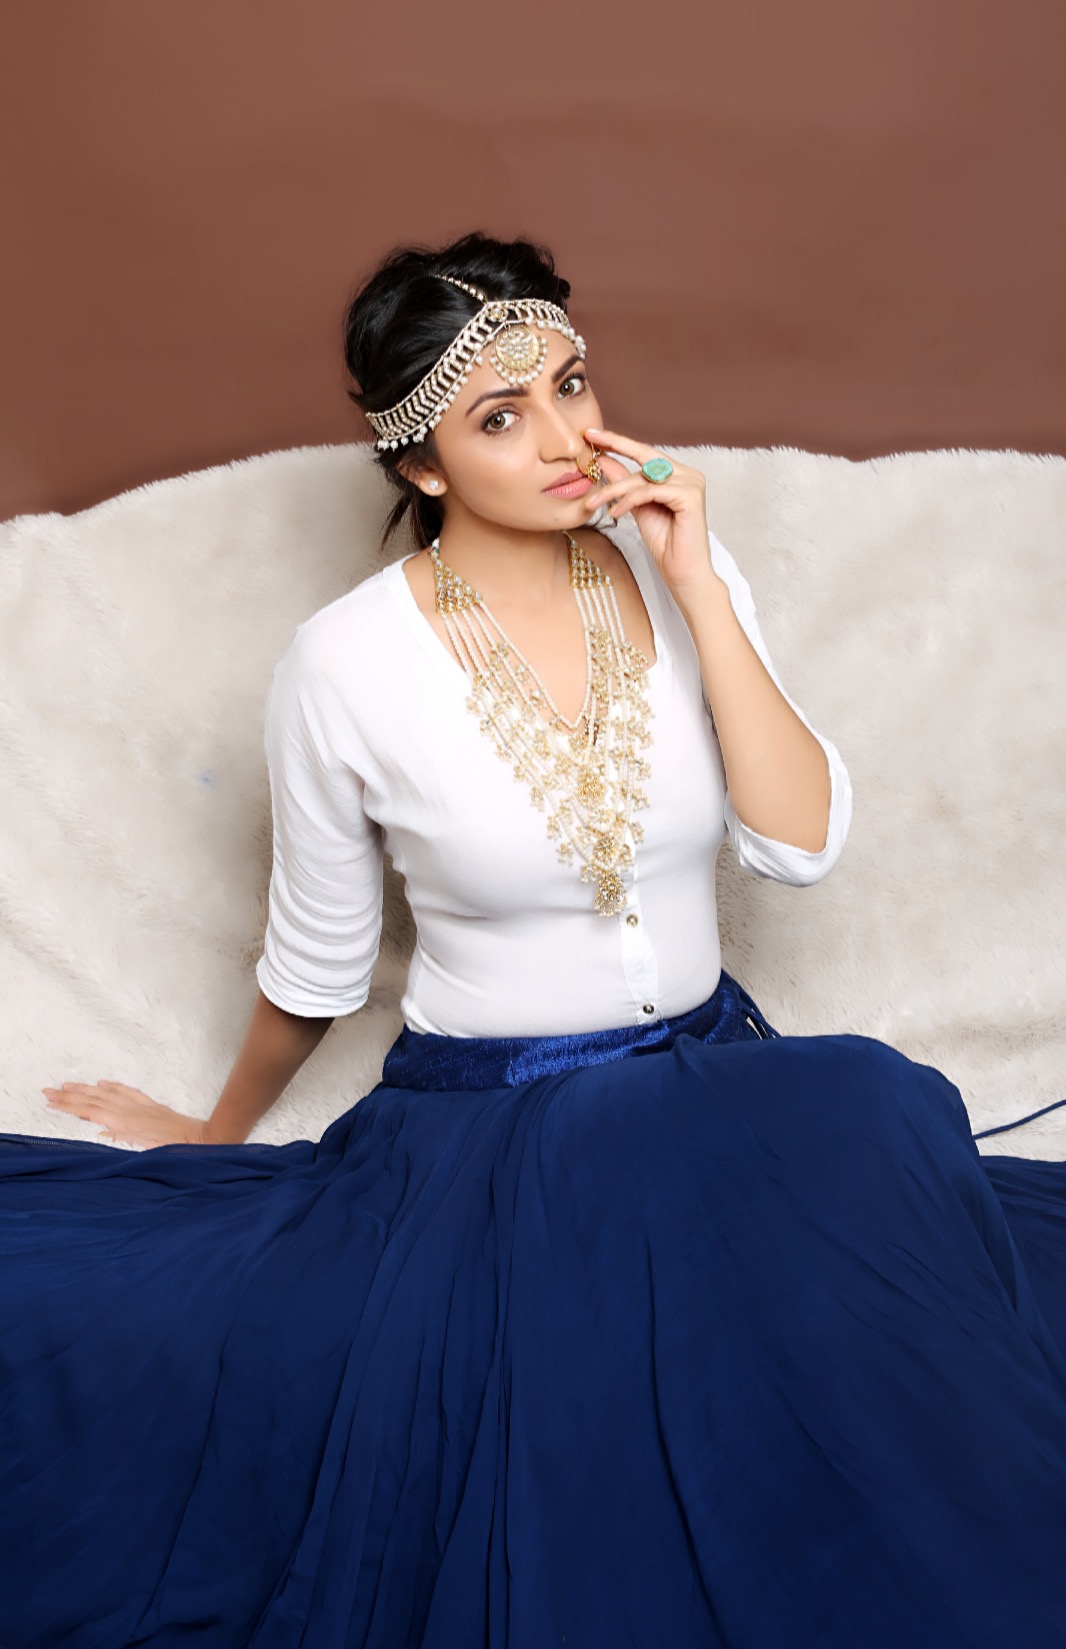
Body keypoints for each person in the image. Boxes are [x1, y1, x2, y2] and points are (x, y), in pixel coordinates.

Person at [3, 231, 1066, 1649]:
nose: (565, 439)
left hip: (703, 1080)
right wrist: (215, 1130)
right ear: (424, 466)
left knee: (872, 1135)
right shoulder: (343, 666)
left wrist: (697, 582)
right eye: (501, 418)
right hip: (492, 1129)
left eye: (570, 386)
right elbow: (318, 961)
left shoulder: (675, 569)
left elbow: (799, 844)